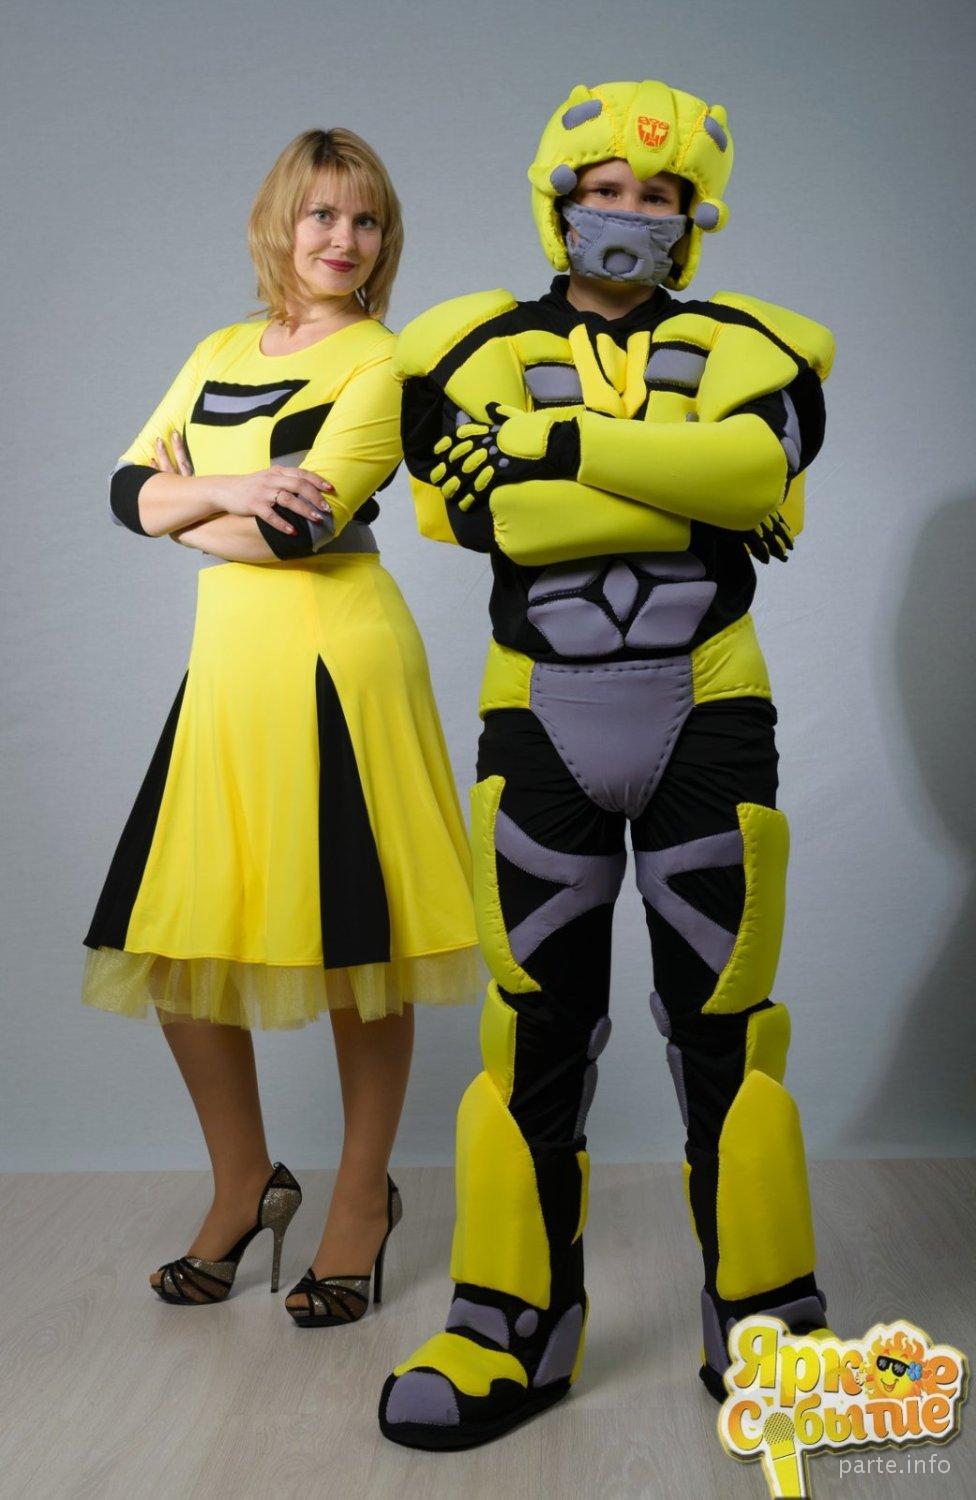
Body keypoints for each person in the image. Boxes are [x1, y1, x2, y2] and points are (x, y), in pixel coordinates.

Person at [377, 78, 837, 1448]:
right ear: (560, 199)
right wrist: (669, 478)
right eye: (606, 190)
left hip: (711, 708)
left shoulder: (758, 340)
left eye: (658, 194)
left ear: (697, 215)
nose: (628, 213)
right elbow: (489, 520)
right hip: (539, 711)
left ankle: (768, 1326)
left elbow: (753, 477)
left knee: (730, 1031)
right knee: (529, 1025)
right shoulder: (465, 344)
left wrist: (552, 440)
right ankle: (509, 1325)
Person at [81, 127, 481, 1323]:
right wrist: (226, 489)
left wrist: (188, 504)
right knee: (178, 944)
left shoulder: (387, 361)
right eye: (322, 214)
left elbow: (297, 532)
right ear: (280, 223)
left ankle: (360, 1202)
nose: (343, 239)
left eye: (366, 220)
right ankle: (246, 1183)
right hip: (227, 671)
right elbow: (122, 488)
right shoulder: (216, 348)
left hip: (338, 661)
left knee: (363, 955)